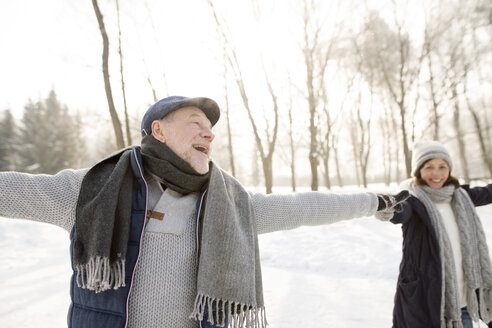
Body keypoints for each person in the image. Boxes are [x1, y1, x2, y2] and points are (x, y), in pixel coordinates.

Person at [0, 95, 407, 328]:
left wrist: (374, 201)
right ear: (158, 130)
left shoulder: (226, 207)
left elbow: (301, 206)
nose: (208, 132)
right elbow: (12, 191)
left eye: (210, 128)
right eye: (195, 122)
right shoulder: (92, 190)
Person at [390, 140, 492, 328]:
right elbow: (399, 212)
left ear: (449, 169)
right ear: (418, 171)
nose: (436, 173)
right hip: (427, 303)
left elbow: (488, 192)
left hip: (462, 304)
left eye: (442, 166)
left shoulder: (461, 197)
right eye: (429, 167)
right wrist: (387, 208)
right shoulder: (413, 201)